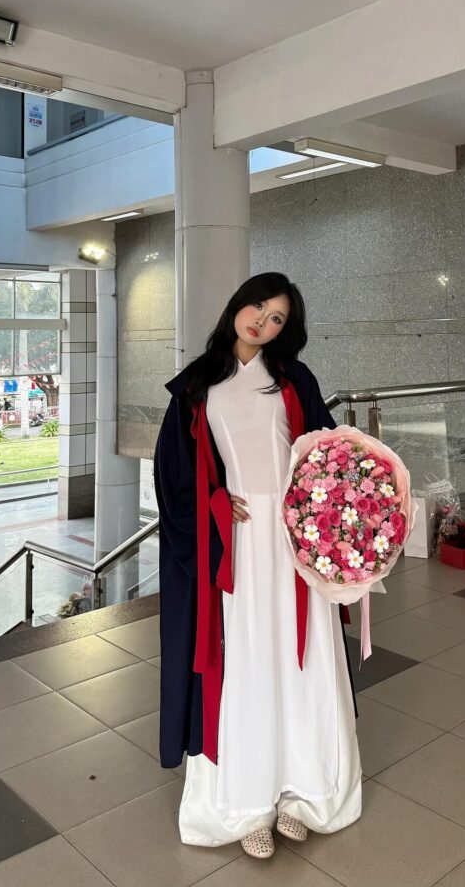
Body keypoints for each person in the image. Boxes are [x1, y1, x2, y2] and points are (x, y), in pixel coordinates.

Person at [154, 272, 361, 860]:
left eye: (276, 318)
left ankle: (305, 792)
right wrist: (216, 499)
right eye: (258, 308)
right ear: (237, 305)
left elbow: (326, 455)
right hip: (237, 545)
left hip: (292, 537)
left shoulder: (292, 378)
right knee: (245, 660)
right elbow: (173, 477)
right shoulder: (196, 385)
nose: (262, 323)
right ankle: (245, 802)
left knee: (303, 658)